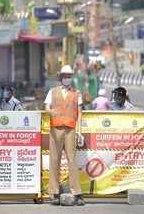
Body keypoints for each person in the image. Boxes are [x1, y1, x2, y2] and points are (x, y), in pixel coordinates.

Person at [44, 65, 85, 206]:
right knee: (54, 159)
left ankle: (77, 193)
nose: (67, 78)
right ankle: (54, 192)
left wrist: (79, 131)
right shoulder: (52, 92)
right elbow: (46, 107)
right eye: (65, 75)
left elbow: (80, 114)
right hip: (56, 129)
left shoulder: (77, 93)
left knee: (72, 160)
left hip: (70, 129)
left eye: (69, 76)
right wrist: (51, 112)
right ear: (60, 77)